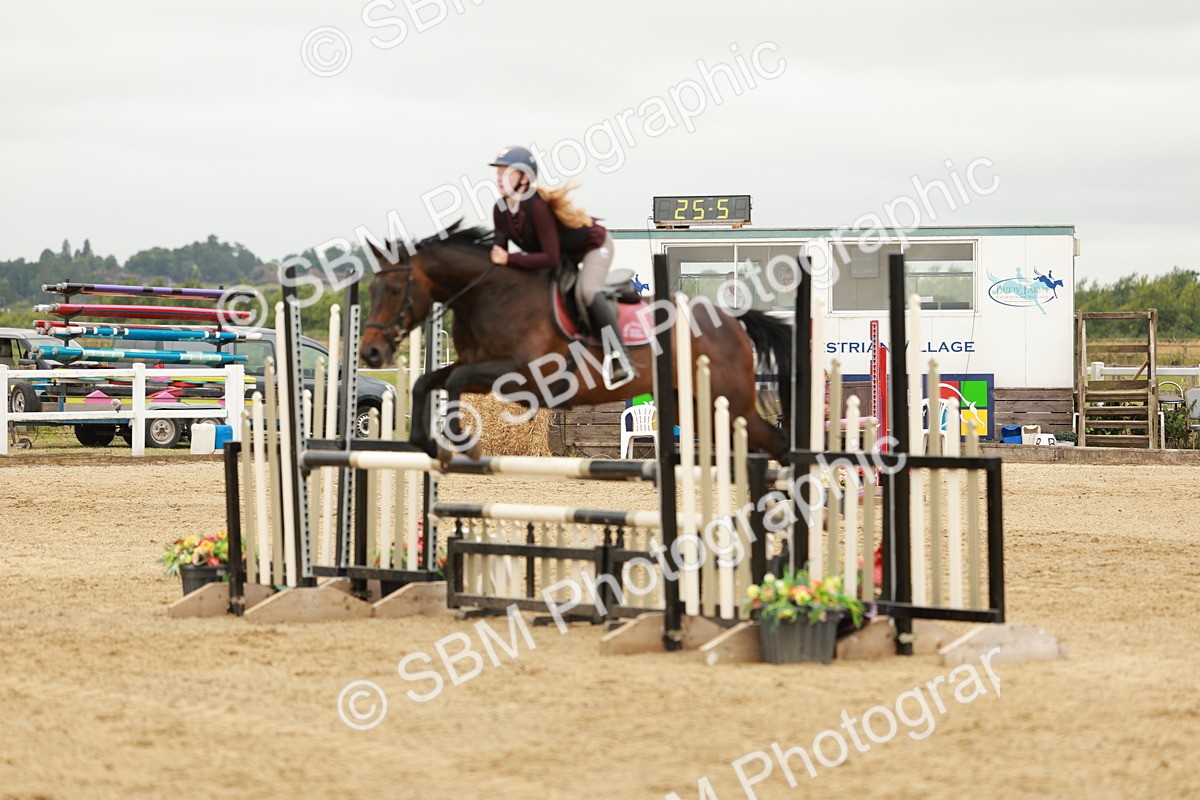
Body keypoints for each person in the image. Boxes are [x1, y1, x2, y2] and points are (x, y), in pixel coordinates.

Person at [488, 145, 634, 389]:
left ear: (524, 178)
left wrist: (509, 260)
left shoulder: (537, 207)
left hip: (593, 247)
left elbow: (550, 258)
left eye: (506, 172)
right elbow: (499, 254)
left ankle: (619, 356)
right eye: (498, 172)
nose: (499, 178)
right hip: (564, 256)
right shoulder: (500, 209)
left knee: (587, 291)